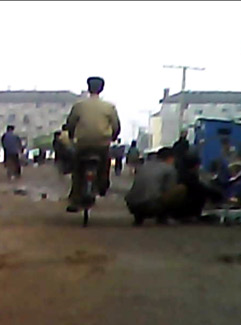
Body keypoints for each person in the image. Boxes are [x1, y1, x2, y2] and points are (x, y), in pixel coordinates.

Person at [65, 76, 121, 212]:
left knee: (77, 170)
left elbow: (70, 123)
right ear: (101, 89)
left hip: (83, 143)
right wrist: (113, 137)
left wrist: (72, 135)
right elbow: (116, 126)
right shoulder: (109, 107)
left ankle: (75, 197)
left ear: (88, 87)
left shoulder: (79, 106)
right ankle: (102, 185)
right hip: (102, 143)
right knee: (105, 164)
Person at [125, 146, 187, 225]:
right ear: (170, 158)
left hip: (132, 205)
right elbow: (169, 189)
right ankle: (163, 217)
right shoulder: (169, 168)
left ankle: (139, 218)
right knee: (181, 189)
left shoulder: (144, 165)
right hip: (151, 206)